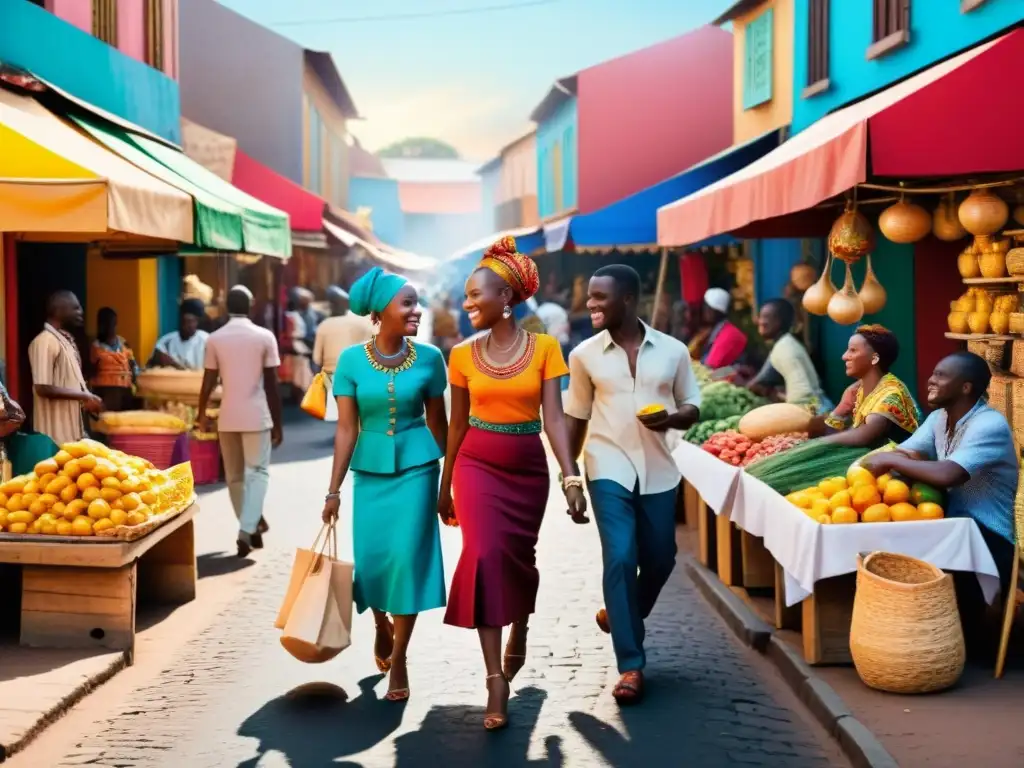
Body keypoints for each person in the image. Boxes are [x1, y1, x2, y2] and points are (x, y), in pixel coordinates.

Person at [438, 236, 587, 732]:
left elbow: (555, 419)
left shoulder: (545, 348)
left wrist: (571, 476)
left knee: (519, 558)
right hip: (475, 464)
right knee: (482, 554)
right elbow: (456, 426)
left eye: (476, 295)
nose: (467, 304)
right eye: (466, 295)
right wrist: (445, 484)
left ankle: (519, 625)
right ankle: (495, 677)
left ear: (506, 299)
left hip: (526, 469)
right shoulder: (459, 355)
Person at [564, 264, 701, 704]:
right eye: (590, 295)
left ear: (627, 299)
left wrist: (672, 419)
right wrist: (570, 478)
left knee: (661, 558)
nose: (591, 304)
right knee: (620, 557)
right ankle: (631, 666)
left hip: (660, 467)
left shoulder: (673, 350)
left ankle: (621, 613)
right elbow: (576, 418)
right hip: (606, 466)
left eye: (600, 297)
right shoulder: (584, 354)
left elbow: (692, 405)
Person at [320, 267, 448, 703]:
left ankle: (400, 656)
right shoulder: (352, 361)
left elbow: (439, 422)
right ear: (380, 312)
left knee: (406, 560)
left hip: (418, 469)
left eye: (417, 302)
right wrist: (333, 490)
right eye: (407, 303)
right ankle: (380, 622)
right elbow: (345, 429)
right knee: (373, 562)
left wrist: (450, 482)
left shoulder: (431, 358)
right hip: (371, 472)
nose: (417, 311)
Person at [861, 352, 1019, 655]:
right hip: (951, 525)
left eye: (941, 376)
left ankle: (951, 641)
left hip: (989, 535)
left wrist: (891, 459)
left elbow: (949, 474)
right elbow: (907, 452)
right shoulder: (939, 418)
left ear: (966, 387)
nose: (931, 380)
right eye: (933, 373)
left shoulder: (989, 424)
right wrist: (897, 458)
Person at [198, 286, 283, 557]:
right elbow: (272, 384)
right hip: (257, 416)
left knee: (234, 477)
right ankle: (247, 529)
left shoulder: (214, 338)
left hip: (228, 417)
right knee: (257, 472)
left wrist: (201, 414)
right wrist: (278, 423)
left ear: (225, 306)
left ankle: (251, 525)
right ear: (252, 304)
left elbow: (208, 380)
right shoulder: (264, 336)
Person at [819, 324, 919, 448]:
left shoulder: (891, 393)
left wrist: (816, 444)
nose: (844, 356)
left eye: (853, 350)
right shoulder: (859, 391)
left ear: (875, 358)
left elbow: (865, 436)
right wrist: (841, 409)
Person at [28, 291, 103, 446]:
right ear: (58, 311)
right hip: (53, 437)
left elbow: (68, 384)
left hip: (71, 436)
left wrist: (84, 399)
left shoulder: (64, 342)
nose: (81, 312)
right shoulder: (45, 341)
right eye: (75, 308)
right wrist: (84, 396)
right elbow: (43, 387)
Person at [748, 299, 831, 415]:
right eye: (760, 316)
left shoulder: (785, 348)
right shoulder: (783, 344)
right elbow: (762, 379)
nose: (760, 322)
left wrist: (794, 418)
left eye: (766, 317)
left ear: (779, 321)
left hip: (816, 413)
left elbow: (803, 394)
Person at [312, 286, 373, 422]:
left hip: (332, 373)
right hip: (357, 372)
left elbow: (316, 358)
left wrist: (317, 378)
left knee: (340, 416)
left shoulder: (324, 325)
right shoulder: (361, 322)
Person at [90, 307, 139, 412]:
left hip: (125, 395)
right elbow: (90, 373)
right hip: (104, 394)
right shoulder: (95, 347)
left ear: (115, 323)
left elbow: (133, 367)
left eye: (111, 323)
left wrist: (136, 383)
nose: (108, 327)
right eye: (104, 324)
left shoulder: (124, 344)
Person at [152, 299, 209, 370]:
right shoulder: (166, 341)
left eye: (190, 321)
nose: (186, 325)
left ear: (197, 322)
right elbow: (157, 359)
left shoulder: (206, 339)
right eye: (183, 321)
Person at [699, 287, 747, 369]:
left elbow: (710, 368)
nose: (704, 310)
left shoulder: (730, 334)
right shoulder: (716, 331)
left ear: (713, 310)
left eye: (706, 306)